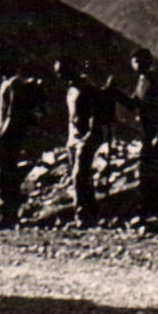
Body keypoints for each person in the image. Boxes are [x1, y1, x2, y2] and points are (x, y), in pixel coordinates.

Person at [0, 45, 45, 230]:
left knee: (6, 176)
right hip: (5, 137)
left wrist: (3, 137)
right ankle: (9, 215)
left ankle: (9, 216)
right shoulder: (10, 83)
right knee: (3, 176)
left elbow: (13, 115)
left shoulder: (14, 84)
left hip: (8, 138)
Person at [54, 56, 112, 227]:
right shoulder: (71, 90)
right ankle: (89, 214)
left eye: (63, 72)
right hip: (74, 137)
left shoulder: (87, 88)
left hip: (87, 137)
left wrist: (90, 134)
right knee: (81, 176)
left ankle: (83, 216)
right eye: (59, 73)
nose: (61, 76)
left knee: (79, 174)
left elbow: (96, 112)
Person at [129, 48, 158, 227]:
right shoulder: (143, 81)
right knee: (150, 172)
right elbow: (135, 104)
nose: (138, 65)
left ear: (149, 61)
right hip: (149, 133)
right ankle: (154, 211)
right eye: (135, 61)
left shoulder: (157, 81)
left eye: (141, 61)